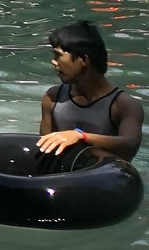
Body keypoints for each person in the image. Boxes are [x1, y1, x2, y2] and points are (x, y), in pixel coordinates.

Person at [37, 19, 143, 161]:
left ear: (83, 60)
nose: (53, 61)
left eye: (58, 55)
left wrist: (81, 137)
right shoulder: (52, 98)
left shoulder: (124, 105)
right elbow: (44, 151)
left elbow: (130, 145)